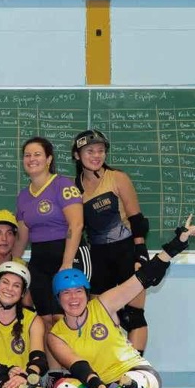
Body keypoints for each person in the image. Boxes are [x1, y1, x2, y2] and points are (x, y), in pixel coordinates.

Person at [47, 218, 195, 388]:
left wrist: (177, 243)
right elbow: (77, 365)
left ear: (87, 293)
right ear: (58, 298)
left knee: (130, 385)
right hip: (99, 385)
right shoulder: (56, 335)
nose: (74, 298)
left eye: (78, 291)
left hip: (136, 373)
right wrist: (97, 386)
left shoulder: (102, 304)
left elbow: (143, 277)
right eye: (66, 293)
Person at [72, 129, 152, 353]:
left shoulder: (117, 178)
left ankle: (137, 373)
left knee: (133, 315)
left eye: (100, 151)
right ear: (78, 156)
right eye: (90, 151)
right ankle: (111, 368)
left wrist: (141, 253)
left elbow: (137, 219)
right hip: (97, 258)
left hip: (126, 251)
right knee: (101, 317)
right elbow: (76, 227)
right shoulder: (74, 188)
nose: (96, 155)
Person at [13, 137, 84, 328]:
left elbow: (76, 224)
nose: (31, 159)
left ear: (49, 159)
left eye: (37, 154)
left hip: (68, 256)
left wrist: (67, 263)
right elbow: (22, 236)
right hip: (39, 261)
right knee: (45, 320)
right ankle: (46, 359)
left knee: (64, 319)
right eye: (27, 155)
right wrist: (11, 263)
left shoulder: (63, 185)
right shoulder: (23, 196)